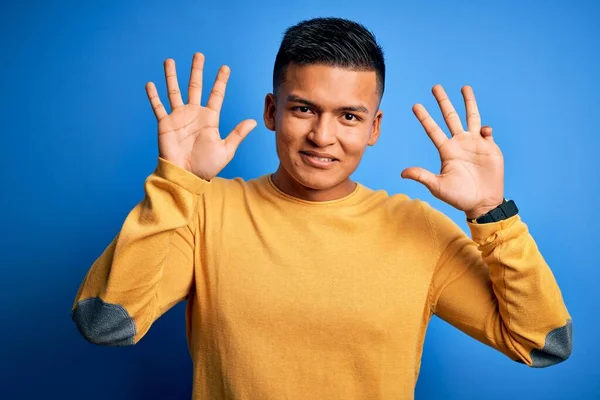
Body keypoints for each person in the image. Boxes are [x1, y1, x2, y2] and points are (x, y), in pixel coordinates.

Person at [71, 17, 572, 399]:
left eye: (348, 116)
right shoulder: (202, 210)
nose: (322, 136)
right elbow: (107, 323)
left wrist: (492, 213)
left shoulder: (418, 230)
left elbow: (542, 343)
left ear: (374, 128)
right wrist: (176, 183)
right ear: (272, 112)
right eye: (303, 108)